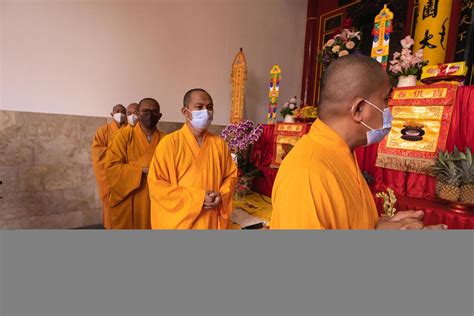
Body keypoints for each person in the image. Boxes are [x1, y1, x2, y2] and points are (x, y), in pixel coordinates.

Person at [270, 55, 447, 230]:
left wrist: (380, 226)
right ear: (359, 109)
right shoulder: (306, 174)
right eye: (385, 99)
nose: (388, 109)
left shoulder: (341, 153)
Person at [148, 89, 237, 229]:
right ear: (185, 112)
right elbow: (158, 186)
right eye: (199, 107)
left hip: (211, 218)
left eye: (209, 108)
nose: (206, 112)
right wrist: (198, 198)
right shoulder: (169, 144)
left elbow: (230, 176)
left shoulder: (220, 144)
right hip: (181, 222)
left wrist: (222, 195)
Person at [105, 98, 165, 229]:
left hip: (155, 196)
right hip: (129, 197)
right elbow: (111, 167)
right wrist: (141, 170)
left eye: (154, 112)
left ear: (160, 116)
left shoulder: (166, 140)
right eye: (145, 111)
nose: (150, 115)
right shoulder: (123, 135)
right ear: (138, 113)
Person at [91, 104, 127, 229]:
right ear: (112, 114)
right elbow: (98, 153)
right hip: (109, 176)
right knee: (111, 205)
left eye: (123, 111)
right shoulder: (102, 131)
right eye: (117, 111)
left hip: (125, 176)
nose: (120, 113)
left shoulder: (130, 130)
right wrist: (117, 154)